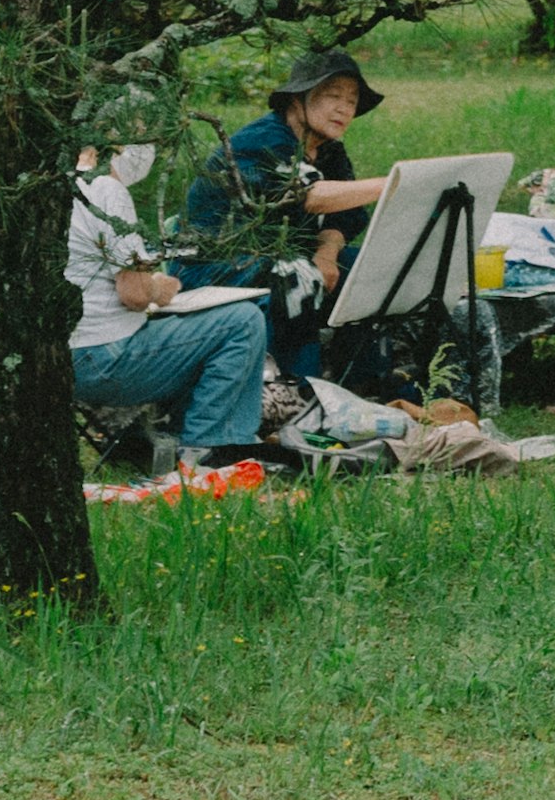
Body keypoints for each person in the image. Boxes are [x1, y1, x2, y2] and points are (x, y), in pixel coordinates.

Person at [67, 145, 271, 482]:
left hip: (60, 353)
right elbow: (133, 293)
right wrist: (158, 288)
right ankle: (206, 451)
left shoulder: (55, 185)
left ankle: (175, 437)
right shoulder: (107, 189)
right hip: (101, 359)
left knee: (196, 331)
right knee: (243, 321)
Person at [183, 48, 388, 380]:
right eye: (333, 96)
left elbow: (344, 213)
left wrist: (327, 251)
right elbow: (307, 196)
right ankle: (296, 388)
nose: (343, 108)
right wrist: (392, 184)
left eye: (351, 101)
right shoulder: (262, 141)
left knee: (374, 269)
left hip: (285, 255)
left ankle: (363, 383)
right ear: (298, 99)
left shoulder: (327, 149)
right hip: (215, 262)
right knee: (299, 279)